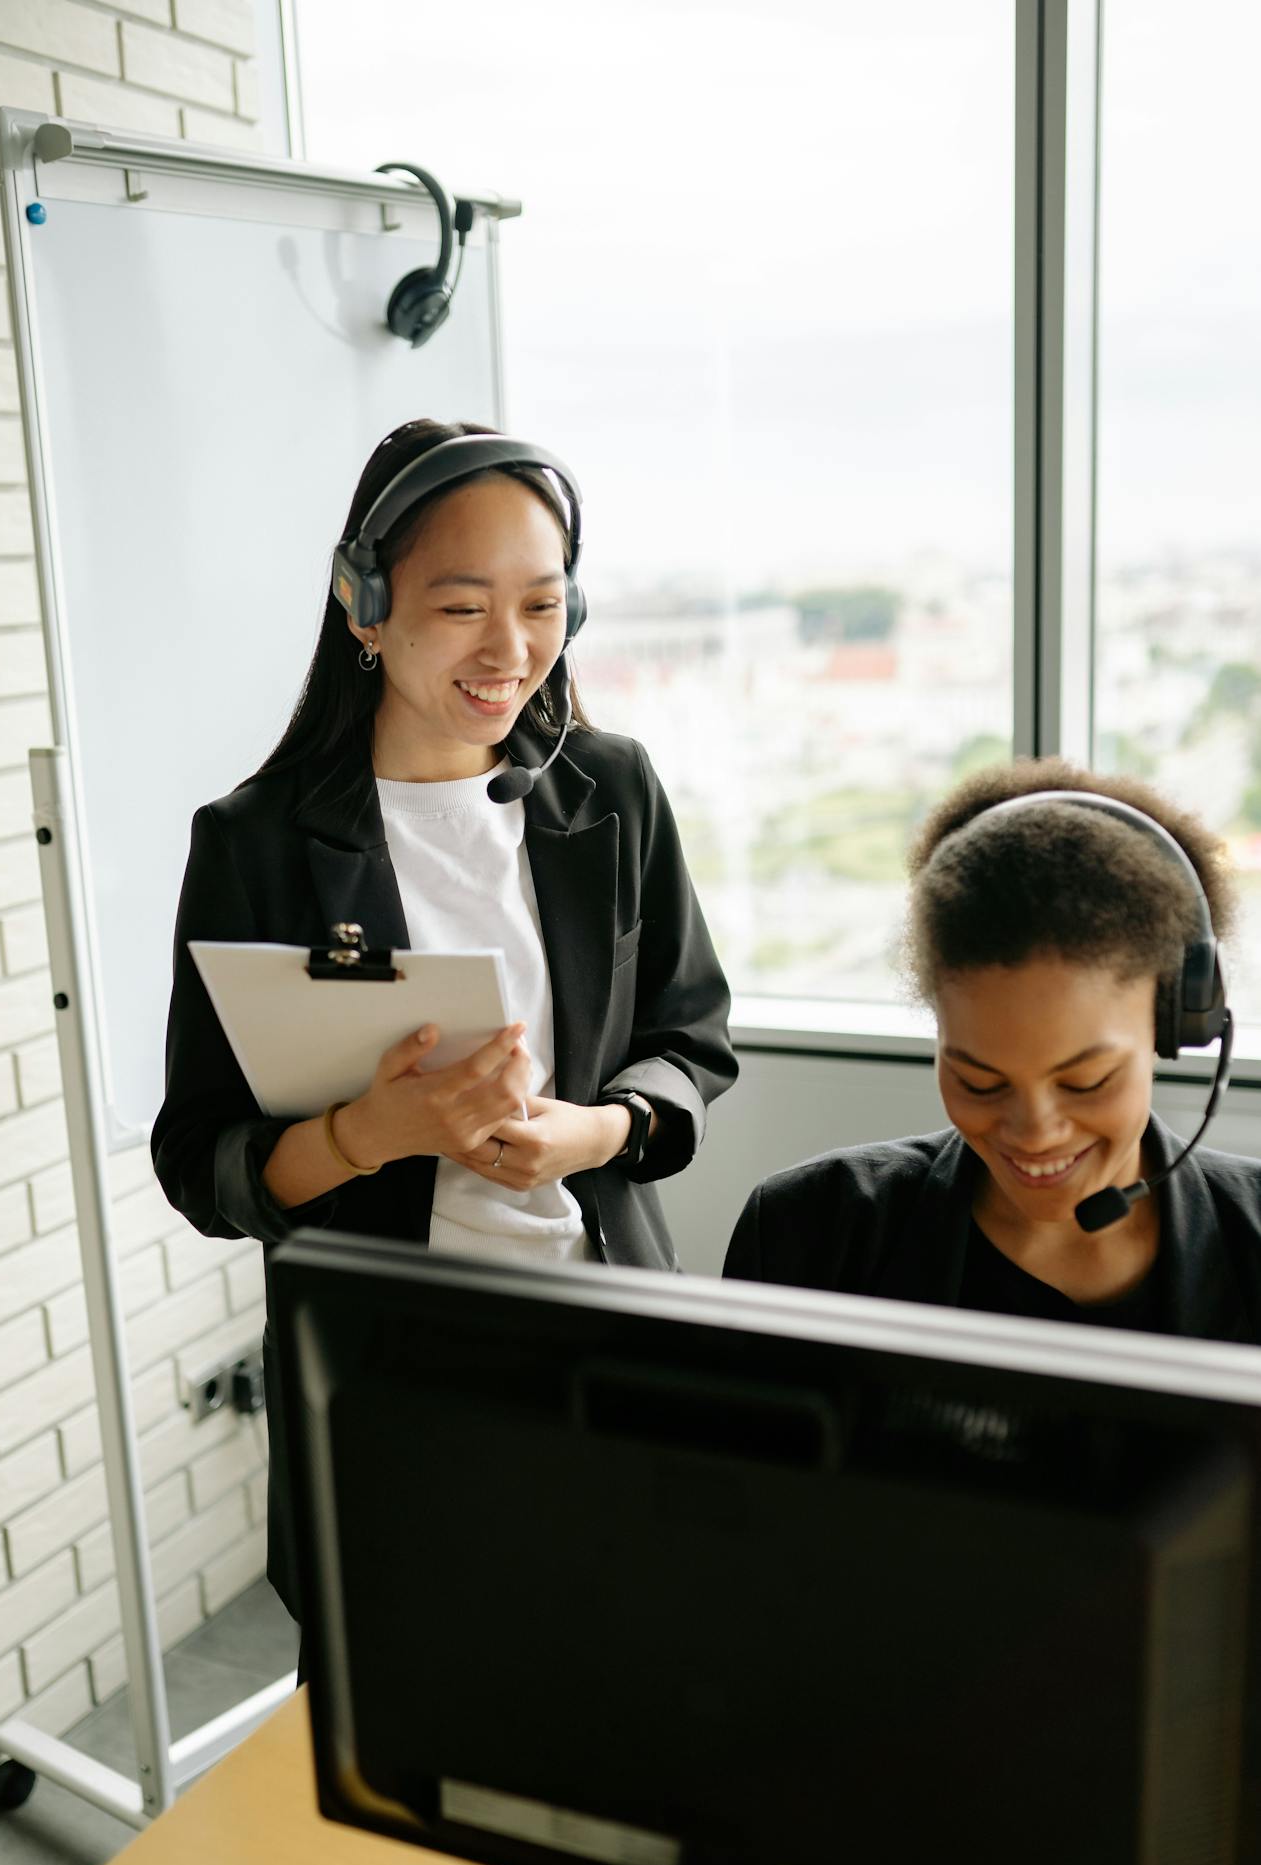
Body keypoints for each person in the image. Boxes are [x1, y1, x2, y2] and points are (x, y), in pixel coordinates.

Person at [153, 418, 737, 1618]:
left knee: (631, 1673)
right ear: (364, 603)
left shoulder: (609, 790)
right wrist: (374, 1132)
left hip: (605, 1333)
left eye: (543, 602)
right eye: (463, 604)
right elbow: (200, 1165)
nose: (510, 647)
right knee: (408, 1728)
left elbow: (692, 1039)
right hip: (391, 1381)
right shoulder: (256, 843)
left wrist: (601, 1131)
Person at [724, 759, 1261, 1341]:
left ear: (1171, 1023)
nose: (1034, 1132)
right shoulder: (810, 1231)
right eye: (980, 1082)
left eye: (1086, 1081)